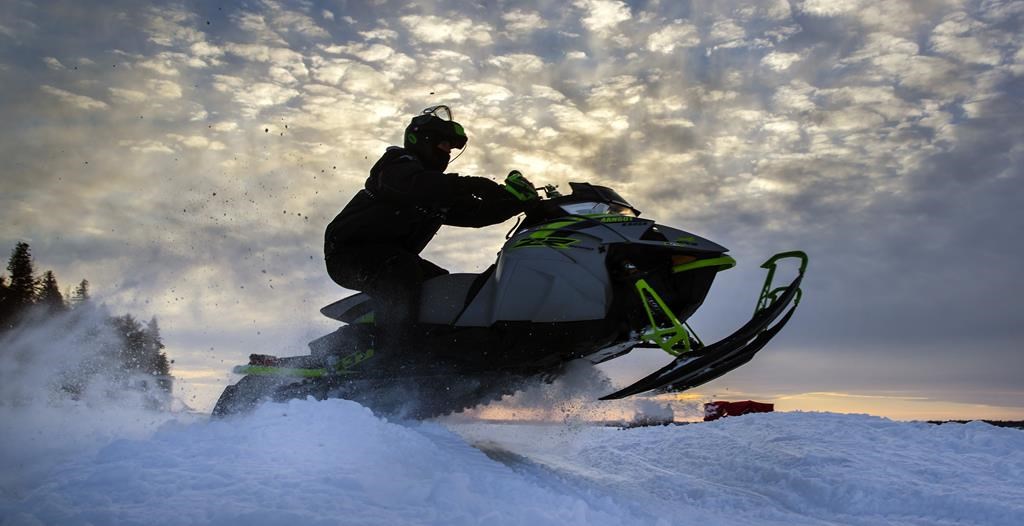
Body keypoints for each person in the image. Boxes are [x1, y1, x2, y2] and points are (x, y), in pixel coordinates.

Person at [324, 105, 539, 352]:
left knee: (443, 286)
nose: (447, 152)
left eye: (450, 148)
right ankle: (393, 353)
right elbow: (416, 185)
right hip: (349, 255)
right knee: (402, 270)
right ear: (422, 140)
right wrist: (473, 184)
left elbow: (475, 214)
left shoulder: (437, 195)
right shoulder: (396, 164)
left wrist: (517, 203)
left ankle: (441, 346)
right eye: (443, 144)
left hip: (390, 258)